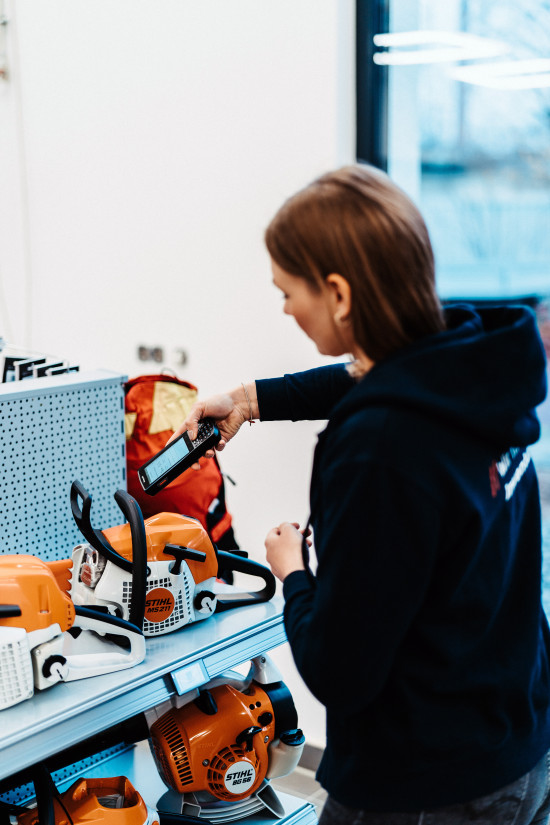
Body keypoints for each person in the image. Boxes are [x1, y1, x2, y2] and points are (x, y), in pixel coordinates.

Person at [172, 164, 550, 824]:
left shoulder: (381, 448)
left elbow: (340, 671)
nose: (285, 309)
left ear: (340, 294)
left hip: (427, 781)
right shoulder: (475, 371)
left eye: (288, 292)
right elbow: (375, 377)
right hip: (519, 742)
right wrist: (249, 400)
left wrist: (293, 572)